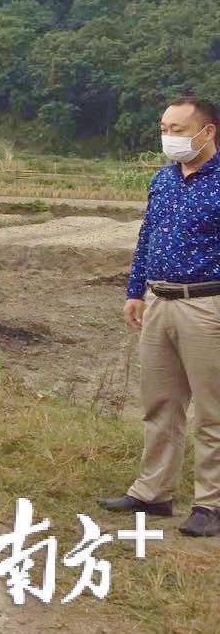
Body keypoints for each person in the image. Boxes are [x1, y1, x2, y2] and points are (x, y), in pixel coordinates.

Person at [98, 95, 220, 538]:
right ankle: (153, 492)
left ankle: (210, 502)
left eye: (178, 129)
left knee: (212, 409)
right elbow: (147, 234)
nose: (169, 137)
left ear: (207, 132)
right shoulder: (163, 180)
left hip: (207, 304)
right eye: (165, 129)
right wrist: (135, 291)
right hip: (159, 302)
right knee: (160, 403)